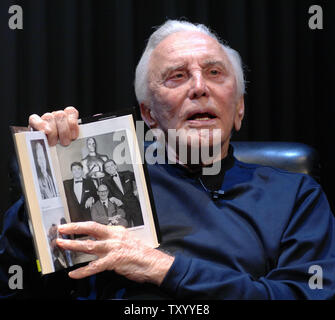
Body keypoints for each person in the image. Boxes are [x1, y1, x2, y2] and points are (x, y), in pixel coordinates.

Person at [2, 19, 335, 299]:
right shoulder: (111, 181)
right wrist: (44, 182)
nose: (200, 88)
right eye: (177, 75)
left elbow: (305, 294)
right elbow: (18, 285)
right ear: (149, 114)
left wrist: (162, 267)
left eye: (215, 72)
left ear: (239, 108)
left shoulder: (295, 195)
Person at [102, 159, 144, 227]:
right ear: (106, 170)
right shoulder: (105, 181)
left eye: (112, 165)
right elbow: (105, 195)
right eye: (107, 167)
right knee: (126, 229)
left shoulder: (127, 173)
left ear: (115, 166)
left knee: (141, 226)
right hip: (121, 210)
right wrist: (112, 198)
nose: (110, 168)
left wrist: (137, 189)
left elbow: (141, 178)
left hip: (134, 206)